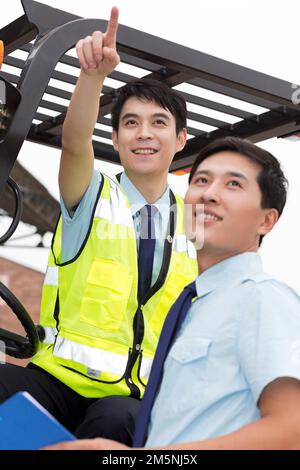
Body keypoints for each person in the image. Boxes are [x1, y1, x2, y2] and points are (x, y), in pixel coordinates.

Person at [0, 7, 197, 445]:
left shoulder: (196, 222)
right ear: (115, 139)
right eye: (131, 123)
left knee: (118, 423)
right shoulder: (91, 196)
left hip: (129, 393)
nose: (143, 133)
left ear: (180, 139)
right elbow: (74, 143)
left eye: (158, 123)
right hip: (58, 378)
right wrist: (91, 79)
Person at [45, 136, 300, 450]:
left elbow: (292, 430)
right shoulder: (193, 310)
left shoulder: (262, 298)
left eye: (233, 184)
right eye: (201, 180)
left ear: (266, 220)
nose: (209, 194)